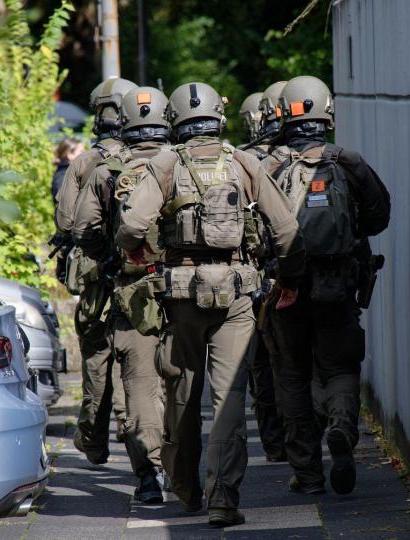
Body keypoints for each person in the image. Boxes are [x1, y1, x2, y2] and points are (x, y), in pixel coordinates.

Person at [115, 82, 306, 527]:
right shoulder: (245, 162)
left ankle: (183, 485)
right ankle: (223, 498)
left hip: (180, 297)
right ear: (219, 116)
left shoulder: (166, 163)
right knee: (229, 399)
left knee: (181, 393)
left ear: (175, 121)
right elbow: (287, 232)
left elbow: (130, 226)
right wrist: (290, 281)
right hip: (237, 295)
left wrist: (140, 253)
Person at [269, 75, 391, 496]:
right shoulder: (349, 163)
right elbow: (379, 217)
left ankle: (307, 474)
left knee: (294, 377)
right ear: (327, 112)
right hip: (339, 284)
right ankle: (341, 426)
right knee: (340, 367)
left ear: (282, 113)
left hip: (287, 288)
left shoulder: (269, 166)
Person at [71, 86, 170, 503]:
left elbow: (77, 229)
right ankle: (205, 478)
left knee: (140, 386)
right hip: (193, 289)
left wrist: (107, 258)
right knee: (193, 385)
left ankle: (149, 475)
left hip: (133, 292)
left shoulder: (101, 169)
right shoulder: (186, 161)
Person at [55, 77, 137, 465]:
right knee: (139, 354)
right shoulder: (152, 158)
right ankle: (133, 426)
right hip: (138, 273)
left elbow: (66, 221)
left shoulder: (85, 163)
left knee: (97, 356)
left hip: (93, 278)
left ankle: (93, 439)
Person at [238, 89, 289, 463]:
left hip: (256, 282)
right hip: (294, 277)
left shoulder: (246, 162)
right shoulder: (319, 158)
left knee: (260, 366)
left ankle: (274, 443)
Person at [51, 137, 84, 205]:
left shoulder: (72, 172)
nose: (85, 154)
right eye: (81, 151)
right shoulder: (63, 175)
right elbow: (62, 200)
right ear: (70, 155)